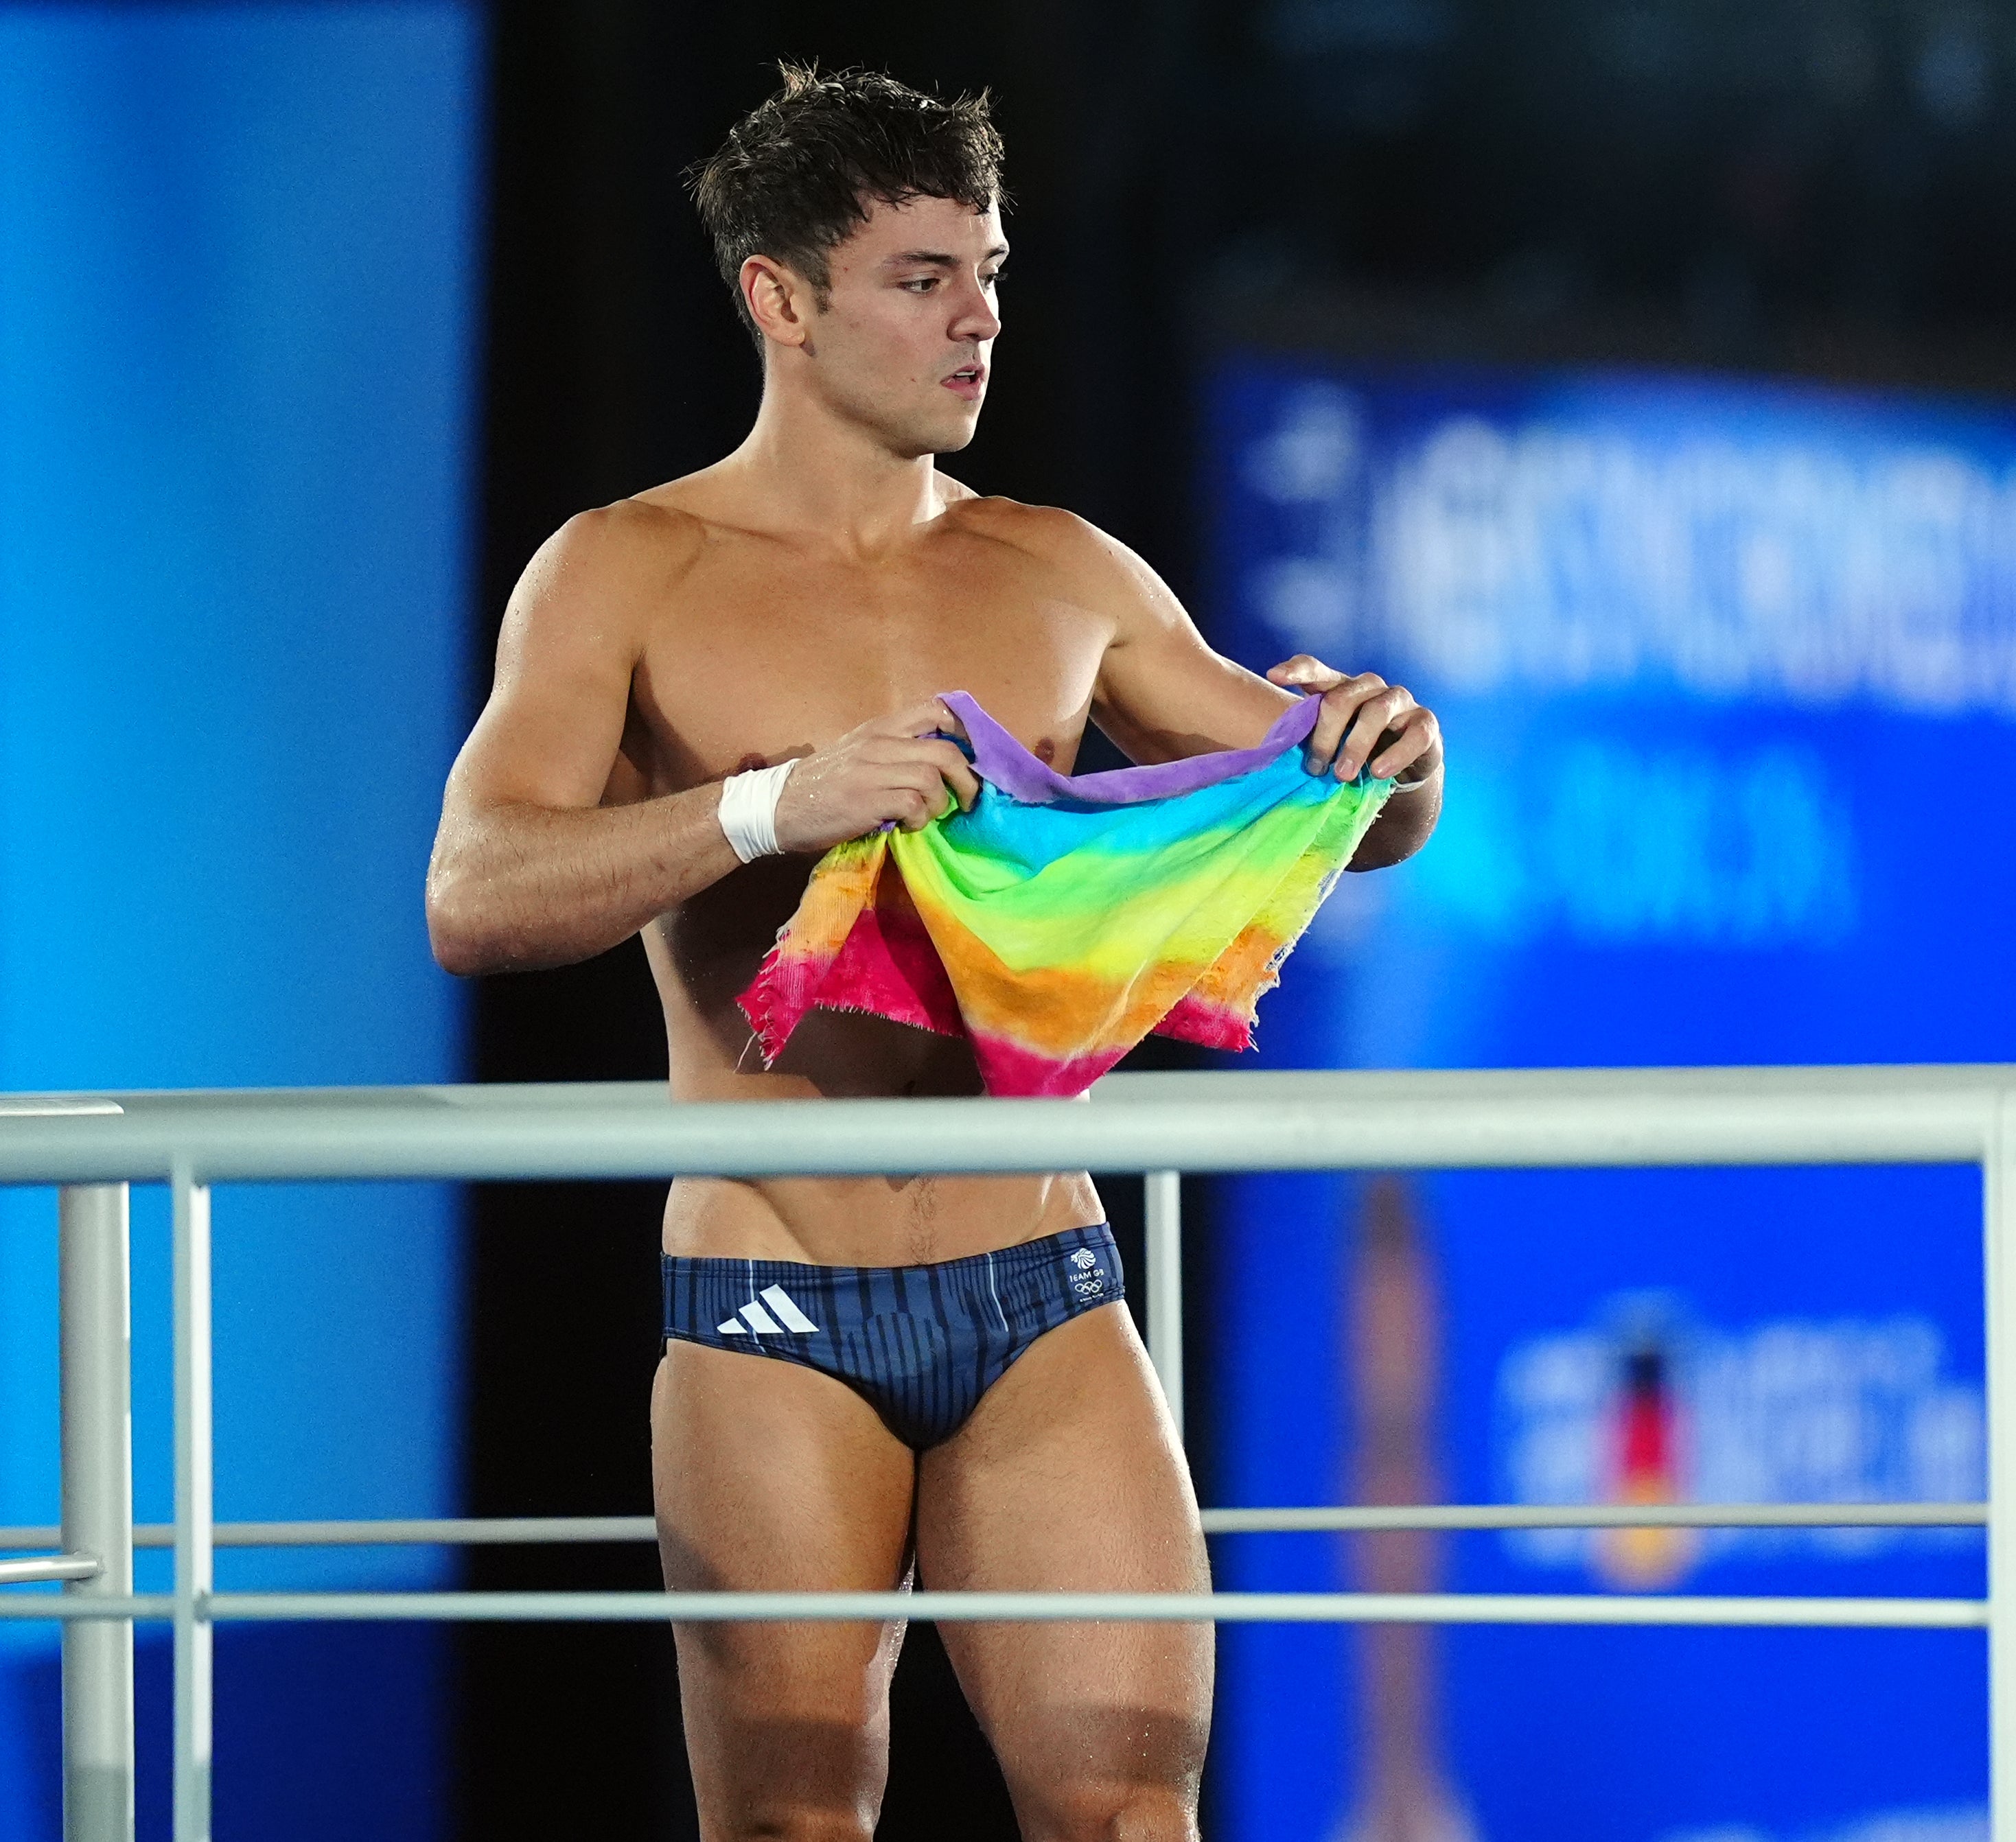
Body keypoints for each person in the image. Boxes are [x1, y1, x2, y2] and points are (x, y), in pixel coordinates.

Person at [424, 65, 1442, 1842]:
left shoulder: (1061, 571)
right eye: (921, 277)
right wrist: (767, 809)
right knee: (790, 1825)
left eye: (986, 270)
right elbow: (475, 891)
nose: (980, 316)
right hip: (768, 1295)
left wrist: (1392, 760)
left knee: (1130, 1805)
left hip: (1035, 1285)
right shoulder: (621, 572)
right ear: (780, 300)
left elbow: (1323, 795)